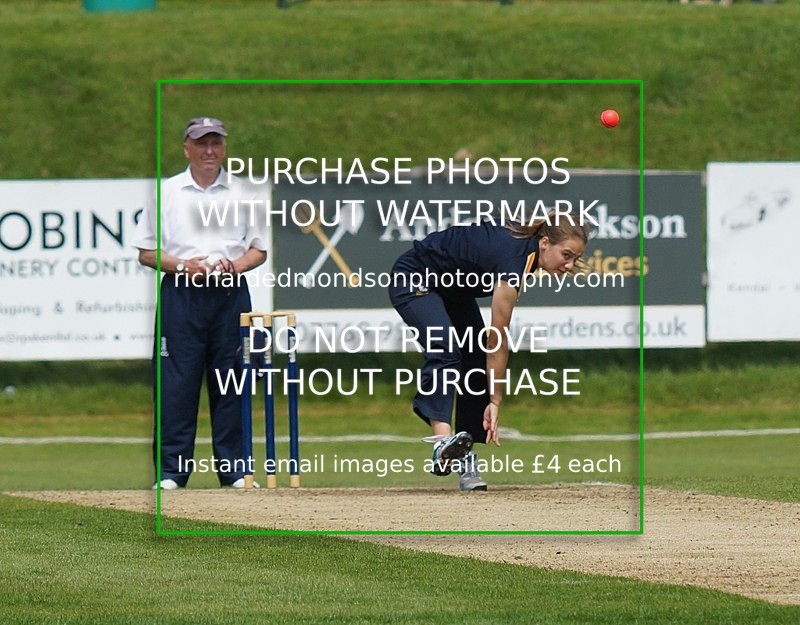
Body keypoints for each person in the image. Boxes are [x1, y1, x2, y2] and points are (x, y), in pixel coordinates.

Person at [388, 212, 590, 491]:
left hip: (453, 290)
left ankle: (463, 456)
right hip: (414, 277)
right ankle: (442, 443)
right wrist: (495, 399)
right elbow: (498, 338)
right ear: (544, 242)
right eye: (566, 255)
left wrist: (492, 398)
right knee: (445, 344)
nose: (568, 265)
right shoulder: (514, 261)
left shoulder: (527, 253)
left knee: (474, 356)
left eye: (574, 259)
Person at [132, 117, 268, 490]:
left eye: (216, 143)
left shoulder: (243, 192)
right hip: (183, 293)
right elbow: (146, 253)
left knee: (233, 381)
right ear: (186, 148)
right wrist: (183, 265)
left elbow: (258, 250)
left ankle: (236, 471)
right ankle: (172, 473)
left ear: (224, 147)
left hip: (230, 294)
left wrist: (233, 265)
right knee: (177, 384)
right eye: (201, 143)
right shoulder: (167, 192)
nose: (209, 151)